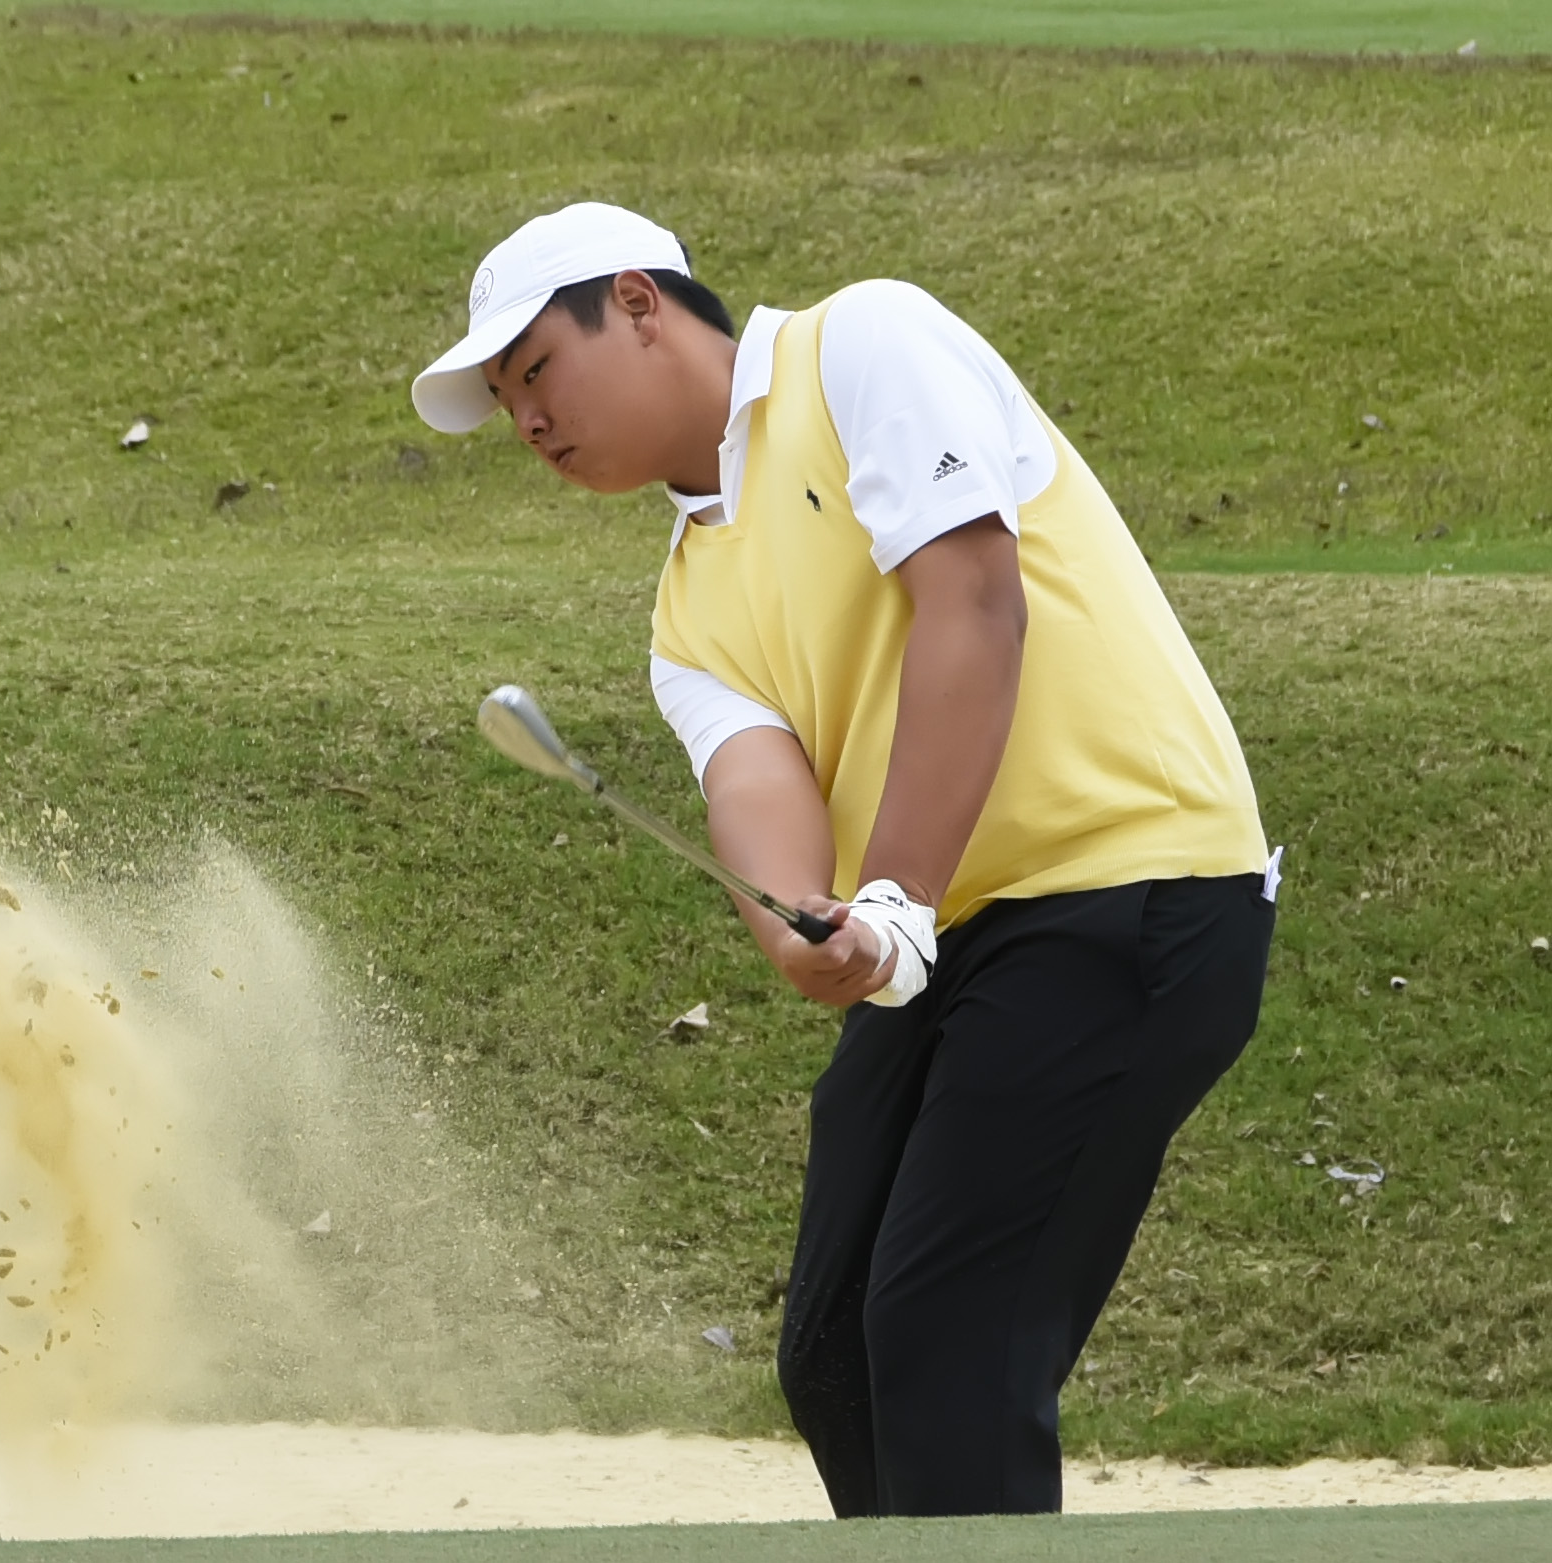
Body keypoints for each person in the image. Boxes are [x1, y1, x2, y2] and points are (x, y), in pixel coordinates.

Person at [409, 202, 1280, 1518]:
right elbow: (755, 784)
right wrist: (804, 926)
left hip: (1133, 884)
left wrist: (897, 899)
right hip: (956, 939)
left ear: (638, 303)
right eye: (504, 402)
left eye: (537, 369)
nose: (527, 420)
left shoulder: (863, 345)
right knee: (833, 1356)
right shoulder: (687, 613)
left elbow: (974, 601)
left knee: (945, 1330)